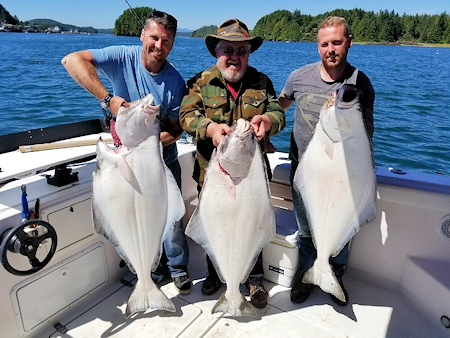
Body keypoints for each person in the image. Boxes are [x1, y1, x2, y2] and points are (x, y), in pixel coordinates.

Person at [61, 10, 192, 295]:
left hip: (159, 159)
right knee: (130, 215)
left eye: (166, 41)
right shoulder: (122, 56)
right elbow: (71, 60)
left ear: (172, 45)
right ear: (142, 35)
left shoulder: (174, 83)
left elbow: (177, 129)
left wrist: (149, 146)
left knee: (170, 219)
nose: (159, 46)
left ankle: (178, 269)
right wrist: (108, 99)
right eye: (154, 38)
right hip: (123, 156)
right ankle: (148, 272)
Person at [179, 18, 285, 308]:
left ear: (249, 53)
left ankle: (253, 279)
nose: (235, 57)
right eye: (228, 50)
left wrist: (268, 121)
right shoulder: (201, 82)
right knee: (216, 226)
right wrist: (209, 128)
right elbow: (186, 116)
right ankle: (216, 274)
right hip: (212, 176)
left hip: (253, 176)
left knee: (253, 223)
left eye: (242, 51)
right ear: (217, 52)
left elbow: (278, 113)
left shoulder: (262, 82)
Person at [278, 16, 375, 306]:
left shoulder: (361, 83)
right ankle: (310, 272)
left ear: (349, 42)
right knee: (307, 230)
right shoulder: (299, 77)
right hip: (306, 171)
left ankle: (335, 273)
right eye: (324, 44)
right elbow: (281, 103)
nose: (330, 49)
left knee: (342, 233)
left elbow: (366, 132)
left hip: (345, 172)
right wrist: (264, 121)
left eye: (337, 42)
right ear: (317, 46)